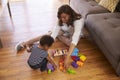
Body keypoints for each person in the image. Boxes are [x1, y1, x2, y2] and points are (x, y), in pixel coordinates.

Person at [16, 5, 84, 70]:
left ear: (70, 14)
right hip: (63, 30)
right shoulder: (61, 19)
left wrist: (67, 57)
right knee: (47, 37)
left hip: (72, 33)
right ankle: (25, 43)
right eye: (61, 18)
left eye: (64, 17)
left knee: (70, 43)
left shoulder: (78, 21)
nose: (62, 20)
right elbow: (53, 36)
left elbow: (75, 39)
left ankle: (58, 36)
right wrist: (45, 48)